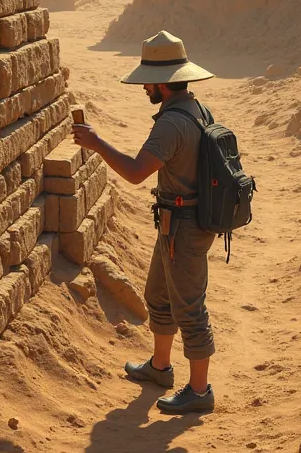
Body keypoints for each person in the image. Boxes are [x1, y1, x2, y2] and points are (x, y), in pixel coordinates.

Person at [72, 30, 217, 415]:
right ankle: (160, 367)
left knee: (189, 309)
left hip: (184, 227)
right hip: (177, 222)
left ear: (162, 83)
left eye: (147, 82)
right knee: (158, 295)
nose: (144, 88)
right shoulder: (194, 108)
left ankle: (200, 392)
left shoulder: (171, 125)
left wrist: (97, 143)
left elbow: (136, 172)